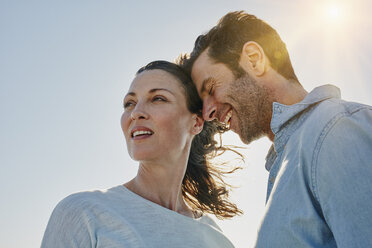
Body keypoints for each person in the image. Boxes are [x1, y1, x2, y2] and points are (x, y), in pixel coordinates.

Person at [181, 11, 372, 247]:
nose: (208, 112)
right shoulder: (287, 162)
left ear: (253, 59)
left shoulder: (335, 130)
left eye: (210, 88)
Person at [41, 61, 241, 248]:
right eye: (129, 103)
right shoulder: (82, 213)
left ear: (196, 122)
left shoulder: (217, 239)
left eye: (158, 98)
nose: (136, 112)